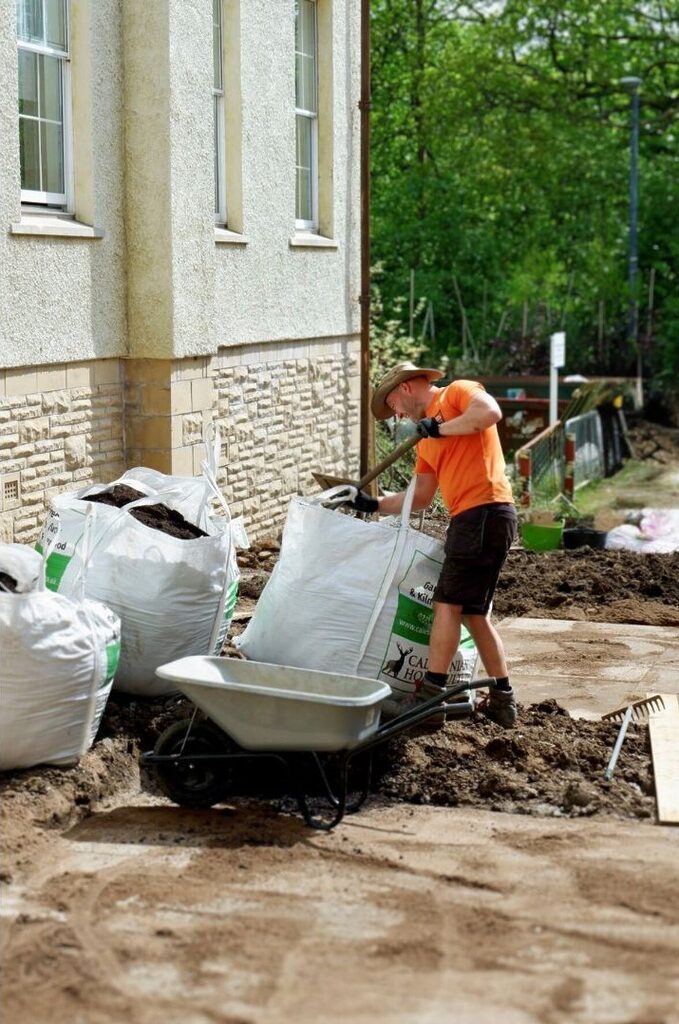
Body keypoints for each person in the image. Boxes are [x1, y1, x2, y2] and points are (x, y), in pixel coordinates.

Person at [351, 361, 518, 728]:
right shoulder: (426, 438)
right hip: (475, 519)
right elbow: (421, 496)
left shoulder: (457, 393)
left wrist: (441, 428)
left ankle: (429, 700)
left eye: (392, 403)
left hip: (485, 512)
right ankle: (503, 699)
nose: (395, 413)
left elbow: (489, 413)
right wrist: (374, 504)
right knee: (473, 612)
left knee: (446, 604)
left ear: (407, 388)